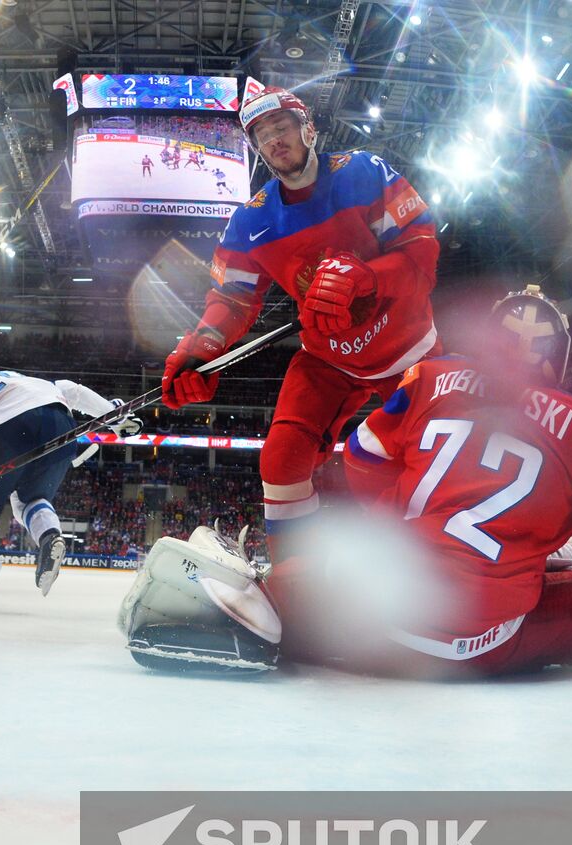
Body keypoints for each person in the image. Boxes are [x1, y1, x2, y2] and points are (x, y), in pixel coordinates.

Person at [122, 287, 572, 678]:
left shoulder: (428, 379)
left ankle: (245, 602)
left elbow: (360, 463)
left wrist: (419, 528)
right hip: (481, 641)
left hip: (371, 608)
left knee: (280, 588)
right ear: (560, 362)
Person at [160, 82, 439, 564]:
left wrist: (367, 276)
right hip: (327, 359)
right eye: (262, 136)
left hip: (409, 351)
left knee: (433, 462)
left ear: (308, 128)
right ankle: (297, 581)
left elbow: (422, 250)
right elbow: (232, 298)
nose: (274, 140)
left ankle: (436, 568)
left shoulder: (363, 173)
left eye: (282, 127)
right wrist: (203, 348)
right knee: (281, 458)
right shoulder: (249, 221)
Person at [0, 355, 141, 611]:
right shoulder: (20, 379)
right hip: (61, 421)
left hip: (11, 426)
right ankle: (49, 536)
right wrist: (116, 416)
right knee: (29, 501)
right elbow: (73, 390)